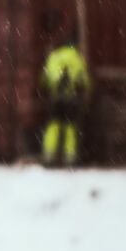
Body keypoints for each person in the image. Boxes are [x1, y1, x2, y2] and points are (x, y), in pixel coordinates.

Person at [39, 35, 92, 167]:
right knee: (70, 127)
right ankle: (70, 158)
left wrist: (47, 90)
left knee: (53, 125)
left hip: (55, 97)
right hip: (71, 98)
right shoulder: (78, 58)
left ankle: (48, 156)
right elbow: (84, 80)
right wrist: (86, 93)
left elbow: (44, 79)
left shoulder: (53, 57)